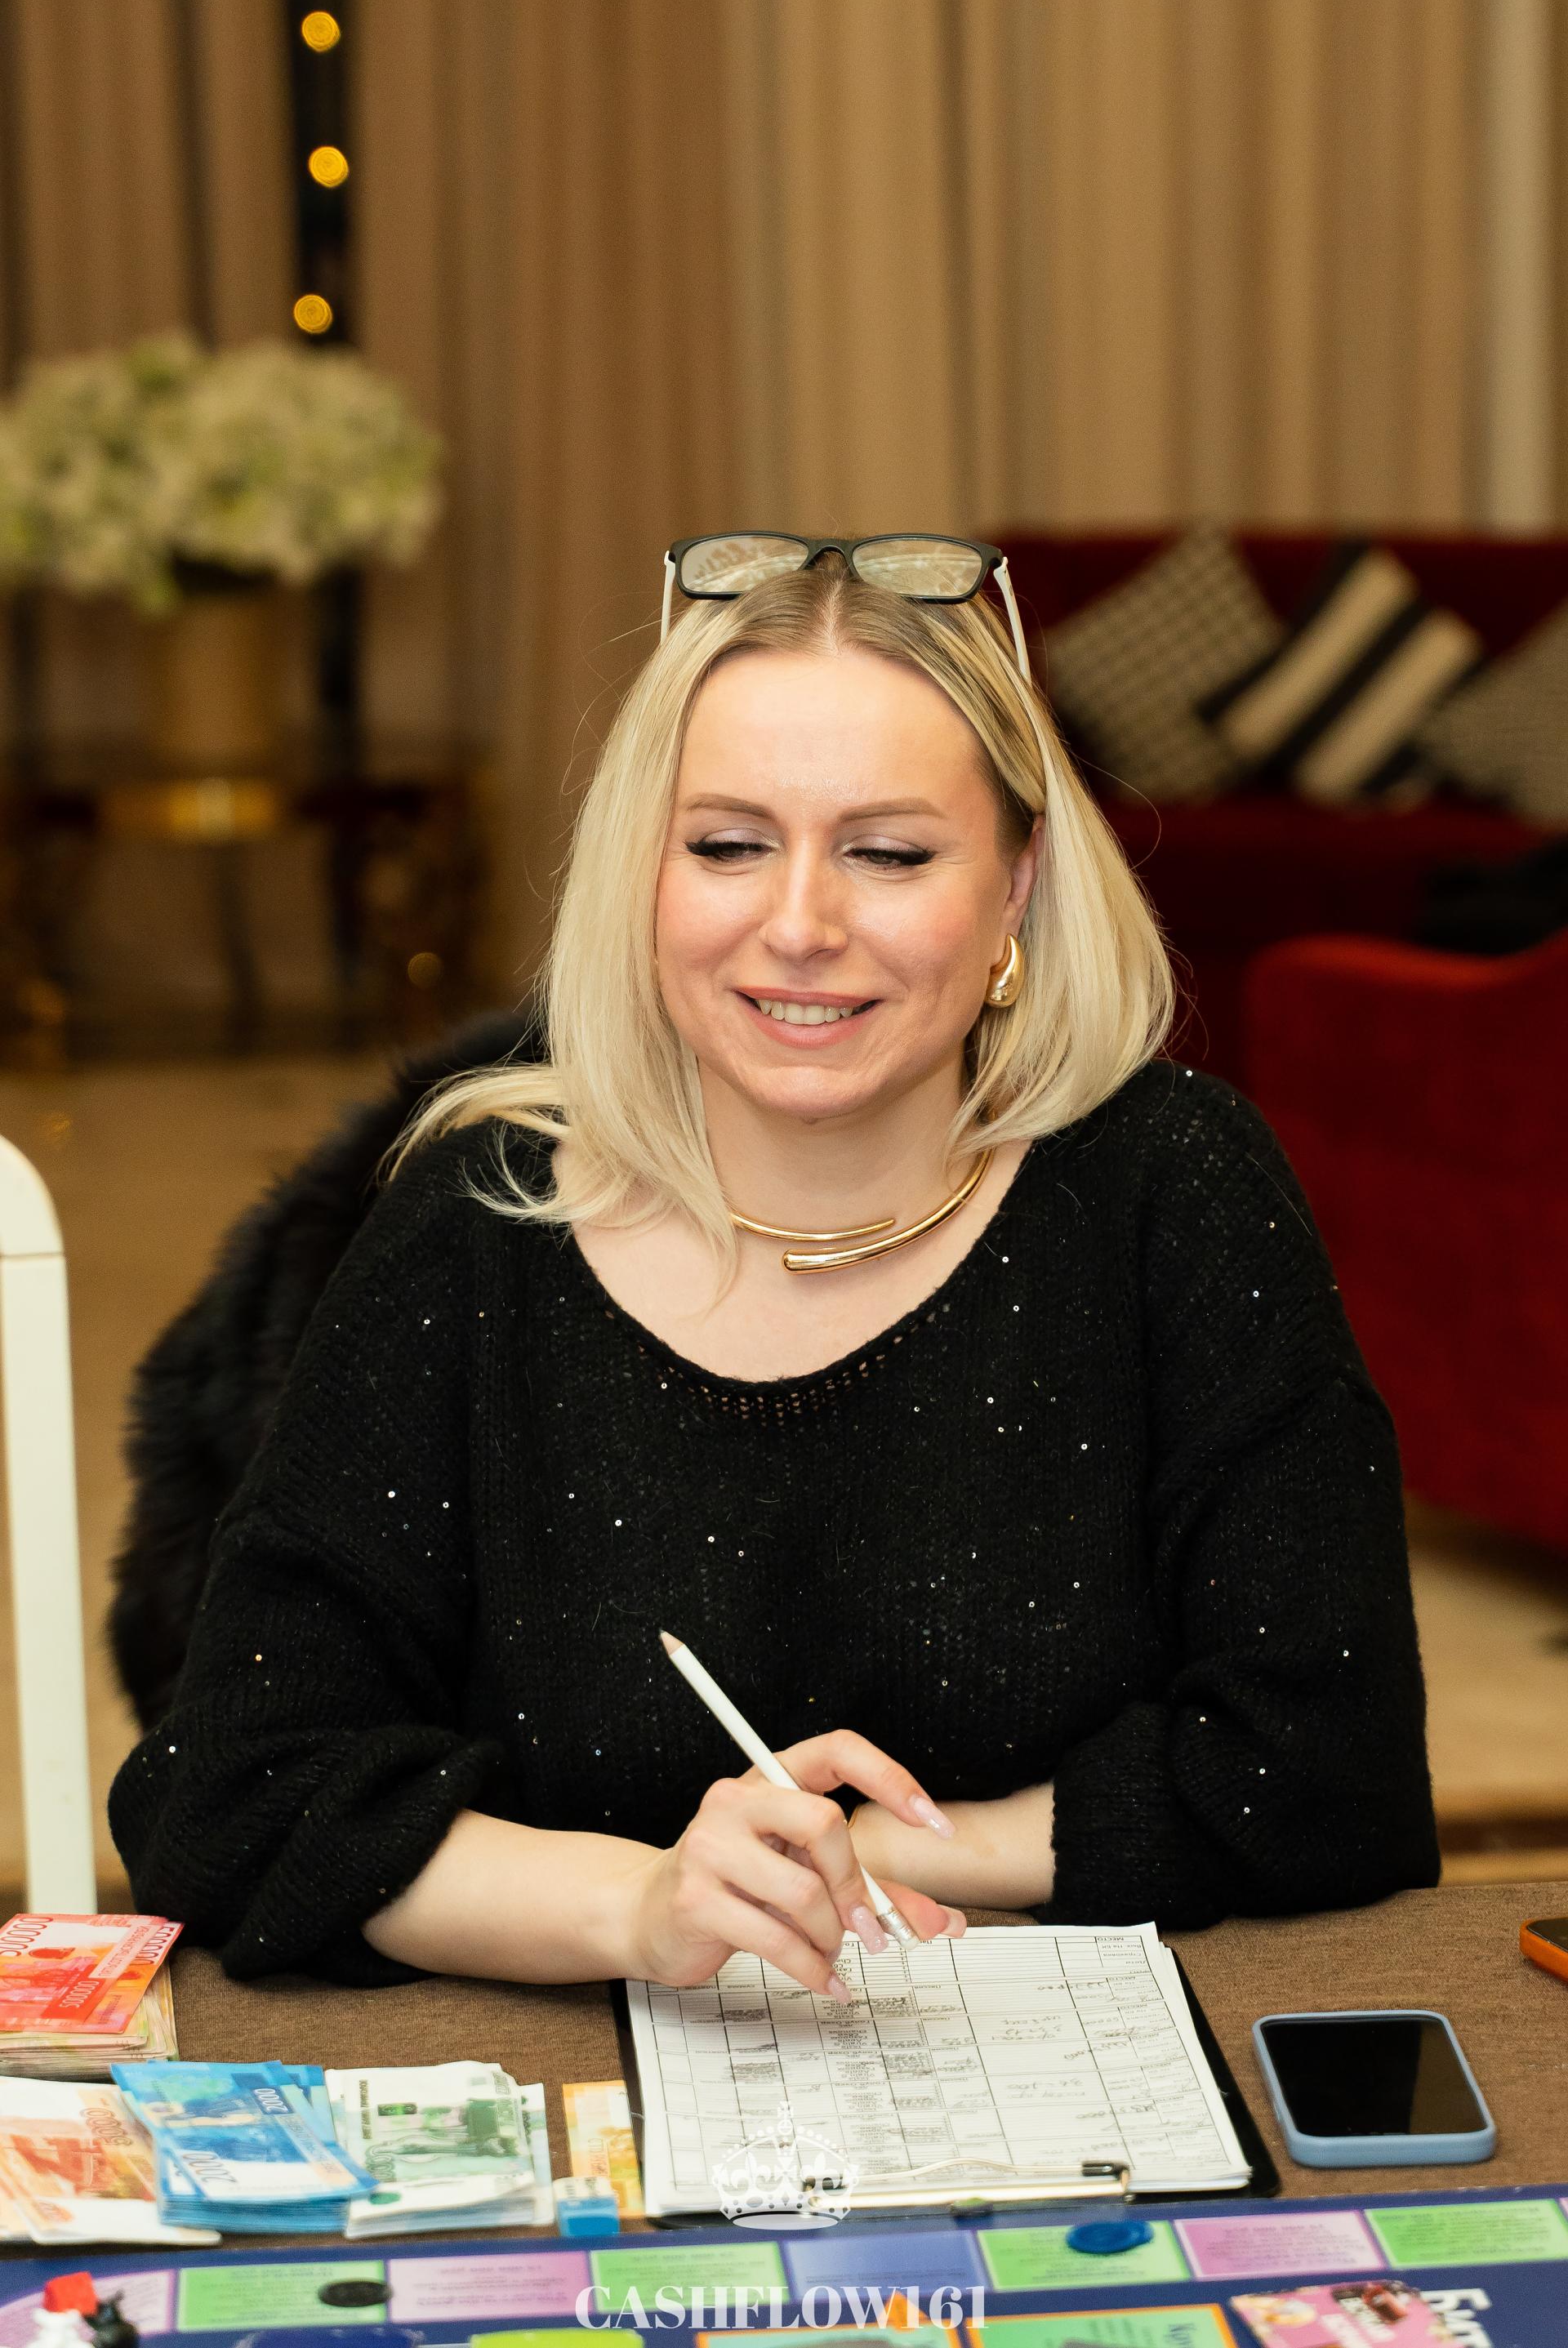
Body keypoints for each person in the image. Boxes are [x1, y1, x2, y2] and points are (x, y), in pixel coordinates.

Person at [110, 533, 1440, 1994]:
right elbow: (228, 1794)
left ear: (1017, 888)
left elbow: (1330, 1768)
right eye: (729, 845)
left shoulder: (1175, 1192)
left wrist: (878, 1854)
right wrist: (643, 1906)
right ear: (644, 874)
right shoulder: (475, 1226)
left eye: (890, 853)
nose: (800, 926)